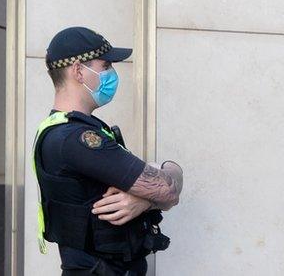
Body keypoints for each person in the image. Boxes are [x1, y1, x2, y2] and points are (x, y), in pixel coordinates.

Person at [32, 27, 184, 275]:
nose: (111, 73)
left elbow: (160, 190)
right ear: (79, 71)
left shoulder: (60, 131)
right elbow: (168, 189)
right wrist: (163, 181)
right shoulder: (77, 139)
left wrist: (143, 201)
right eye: (105, 66)